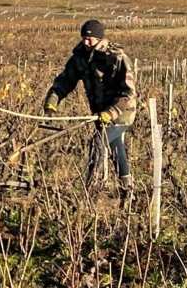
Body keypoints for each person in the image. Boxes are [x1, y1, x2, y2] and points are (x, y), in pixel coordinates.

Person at [43, 19, 136, 195]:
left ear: (100, 39)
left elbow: (128, 93)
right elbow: (65, 81)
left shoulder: (117, 58)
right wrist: (52, 102)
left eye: (90, 39)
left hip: (123, 113)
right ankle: (127, 188)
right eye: (83, 38)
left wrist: (111, 112)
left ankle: (90, 187)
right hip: (99, 112)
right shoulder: (80, 59)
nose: (85, 42)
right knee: (116, 147)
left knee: (98, 141)